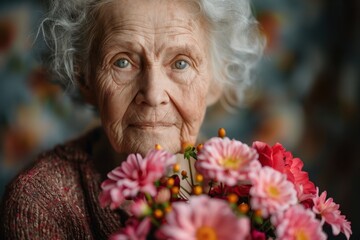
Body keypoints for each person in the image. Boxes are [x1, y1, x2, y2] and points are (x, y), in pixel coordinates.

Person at [0, 0, 264, 239]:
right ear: (85, 78)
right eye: (122, 62)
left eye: (181, 63)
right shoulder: (39, 201)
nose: (152, 94)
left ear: (216, 80)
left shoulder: (255, 191)